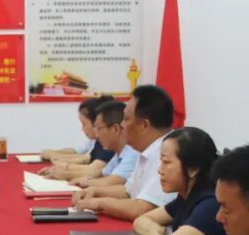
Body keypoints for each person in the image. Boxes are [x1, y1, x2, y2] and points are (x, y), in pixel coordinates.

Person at [76, 85, 178, 221]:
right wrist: (95, 191)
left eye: (126, 119)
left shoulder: (168, 153)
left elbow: (142, 209)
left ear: (144, 125)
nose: (121, 125)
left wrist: (101, 203)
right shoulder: (145, 149)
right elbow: (128, 191)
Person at [131, 127, 226, 235]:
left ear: (193, 168)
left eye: (166, 162)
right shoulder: (185, 196)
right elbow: (140, 220)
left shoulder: (210, 204)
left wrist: (153, 233)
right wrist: (156, 232)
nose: (160, 170)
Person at [63, 100, 138, 189]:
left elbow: (110, 182)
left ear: (115, 129)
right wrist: (70, 176)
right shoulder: (119, 153)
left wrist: (85, 181)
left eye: (99, 128)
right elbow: (102, 174)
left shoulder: (132, 153)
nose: (97, 135)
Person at [39, 95, 116, 167]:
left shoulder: (109, 143)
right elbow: (83, 157)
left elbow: (92, 169)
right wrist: (54, 155)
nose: (82, 129)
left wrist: (56, 159)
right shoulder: (97, 142)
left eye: (84, 124)